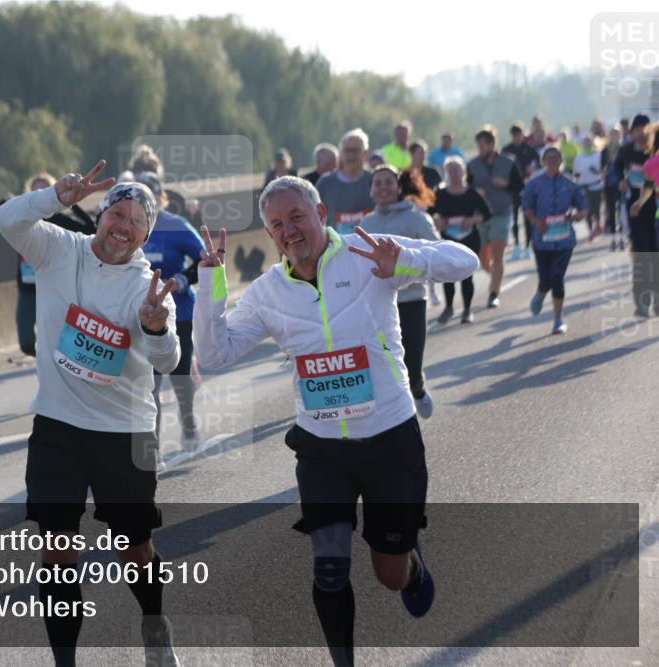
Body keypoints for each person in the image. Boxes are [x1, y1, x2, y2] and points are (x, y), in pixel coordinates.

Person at [193, 175, 478, 667]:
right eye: (277, 224)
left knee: (390, 574)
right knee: (328, 568)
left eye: (297, 217)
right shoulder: (267, 293)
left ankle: (409, 566)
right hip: (323, 446)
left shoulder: (368, 254)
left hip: (391, 437)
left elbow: (464, 260)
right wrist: (210, 283)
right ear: (269, 234)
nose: (289, 231)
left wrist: (407, 261)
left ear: (321, 212)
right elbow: (214, 354)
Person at [0, 160, 182, 667]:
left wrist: (157, 328)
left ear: (145, 235)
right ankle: (65, 661)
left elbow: (170, 360)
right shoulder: (58, 248)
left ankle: (155, 627)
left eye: (135, 222)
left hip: (125, 433)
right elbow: (7, 220)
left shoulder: (148, 286)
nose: (122, 226)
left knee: (134, 549)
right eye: (116, 213)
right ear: (99, 216)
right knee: (58, 555)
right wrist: (53, 197)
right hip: (57, 429)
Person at [0, 173, 95, 356]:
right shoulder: (20, 223)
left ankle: (54, 364)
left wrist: (73, 202)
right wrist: (5, 203)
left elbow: (91, 231)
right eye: (36, 191)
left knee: (61, 337)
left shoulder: (58, 221)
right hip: (28, 287)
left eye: (45, 190)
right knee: (26, 342)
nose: (41, 194)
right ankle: (43, 356)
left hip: (56, 287)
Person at [361, 167, 440, 418]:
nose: (383, 187)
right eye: (377, 183)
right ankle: (399, 417)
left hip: (411, 298)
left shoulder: (416, 218)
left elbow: (435, 253)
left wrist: (406, 265)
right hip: (379, 303)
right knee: (384, 366)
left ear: (398, 187)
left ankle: (417, 387)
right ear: (371, 190)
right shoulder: (366, 224)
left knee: (412, 366)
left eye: (388, 182)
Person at [136, 171, 205, 453]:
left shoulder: (176, 225)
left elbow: (205, 258)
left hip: (181, 312)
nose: (145, 204)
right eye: (140, 199)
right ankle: (152, 447)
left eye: (150, 197)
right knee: (149, 385)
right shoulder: (129, 226)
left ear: (160, 197)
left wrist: (185, 278)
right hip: (144, 315)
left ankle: (188, 421)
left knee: (179, 378)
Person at [522, 147, 589, 334]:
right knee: (546, 278)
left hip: (564, 240)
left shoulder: (570, 184)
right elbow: (526, 208)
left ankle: (558, 319)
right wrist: (535, 221)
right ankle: (541, 294)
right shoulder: (534, 184)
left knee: (557, 276)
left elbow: (583, 208)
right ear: (543, 161)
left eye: (555, 158)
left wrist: (576, 216)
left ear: (561, 161)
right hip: (542, 239)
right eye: (548, 158)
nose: (552, 161)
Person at [467, 126, 524, 308]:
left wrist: (505, 184)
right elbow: (466, 190)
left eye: (483, 145)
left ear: (492, 144)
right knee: (482, 259)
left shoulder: (508, 162)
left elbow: (519, 187)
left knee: (498, 252)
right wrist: (476, 193)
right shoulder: (472, 165)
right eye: (478, 145)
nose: (480, 149)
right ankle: (496, 276)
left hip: (502, 212)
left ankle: (493, 293)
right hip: (481, 216)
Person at [432, 157, 491, 324]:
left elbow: (486, 213)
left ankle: (467, 310)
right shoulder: (440, 194)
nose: (453, 173)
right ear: (446, 173)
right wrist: (437, 221)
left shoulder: (472, 193)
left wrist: (472, 220)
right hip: (448, 238)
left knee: (467, 276)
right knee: (447, 274)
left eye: (457, 169)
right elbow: (429, 213)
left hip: (469, 237)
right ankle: (449, 308)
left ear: (463, 171)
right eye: (450, 170)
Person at [613, 114, 657, 317]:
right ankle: (642, 302)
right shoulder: (626, 151)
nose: (640, 133)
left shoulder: (654, 154)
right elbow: (615, 171)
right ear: (631, 132)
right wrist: (620, 181)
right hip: (636, 208)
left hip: (654, 210)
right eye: (636, 129)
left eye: (644, 129)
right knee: (642, 255)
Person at [316, 129, 375, 234]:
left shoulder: (376, 180)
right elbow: (315, 216)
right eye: (347, 151)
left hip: (369, 246)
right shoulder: (326, 183)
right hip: (336, 247)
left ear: (365, 153)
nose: (351, 156)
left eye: (355, 151)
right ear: (341, 153)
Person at [502, 123, 541, 260]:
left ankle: (528, 245)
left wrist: (533, 168)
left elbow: (538, 164)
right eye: (514, 134)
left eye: (518, 134)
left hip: (527, 188)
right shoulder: (506, 150)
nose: (516, 137)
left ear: (522, 134)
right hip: (512, 189)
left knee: (527, 217)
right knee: (513, 218)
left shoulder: (530, 149)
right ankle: (517, 245)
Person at [572, 135, 605, 240]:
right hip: (584, 186)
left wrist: (596, 171)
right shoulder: (579, 156)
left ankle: (598, 224)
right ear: (582, 144)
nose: (587, 144)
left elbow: (603, 170)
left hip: (596, 185)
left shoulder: (598, 155)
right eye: (585, 142)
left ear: (593, 143)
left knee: (597, 208)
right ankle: (590, 231)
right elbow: (575, 172)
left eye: (589, 142)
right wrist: (577, 179)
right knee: (588, 209)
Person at [602, 127, 624, 250]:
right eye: (612, 135)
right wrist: (602, 172)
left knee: (621, 212)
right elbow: (601, 167)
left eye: (616, 134)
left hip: (620, 184)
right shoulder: (604, 151)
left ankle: (621, 238)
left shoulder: (623, 150)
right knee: (611, 212)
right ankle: (613, 239)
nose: (614, 137)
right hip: (608, 185)